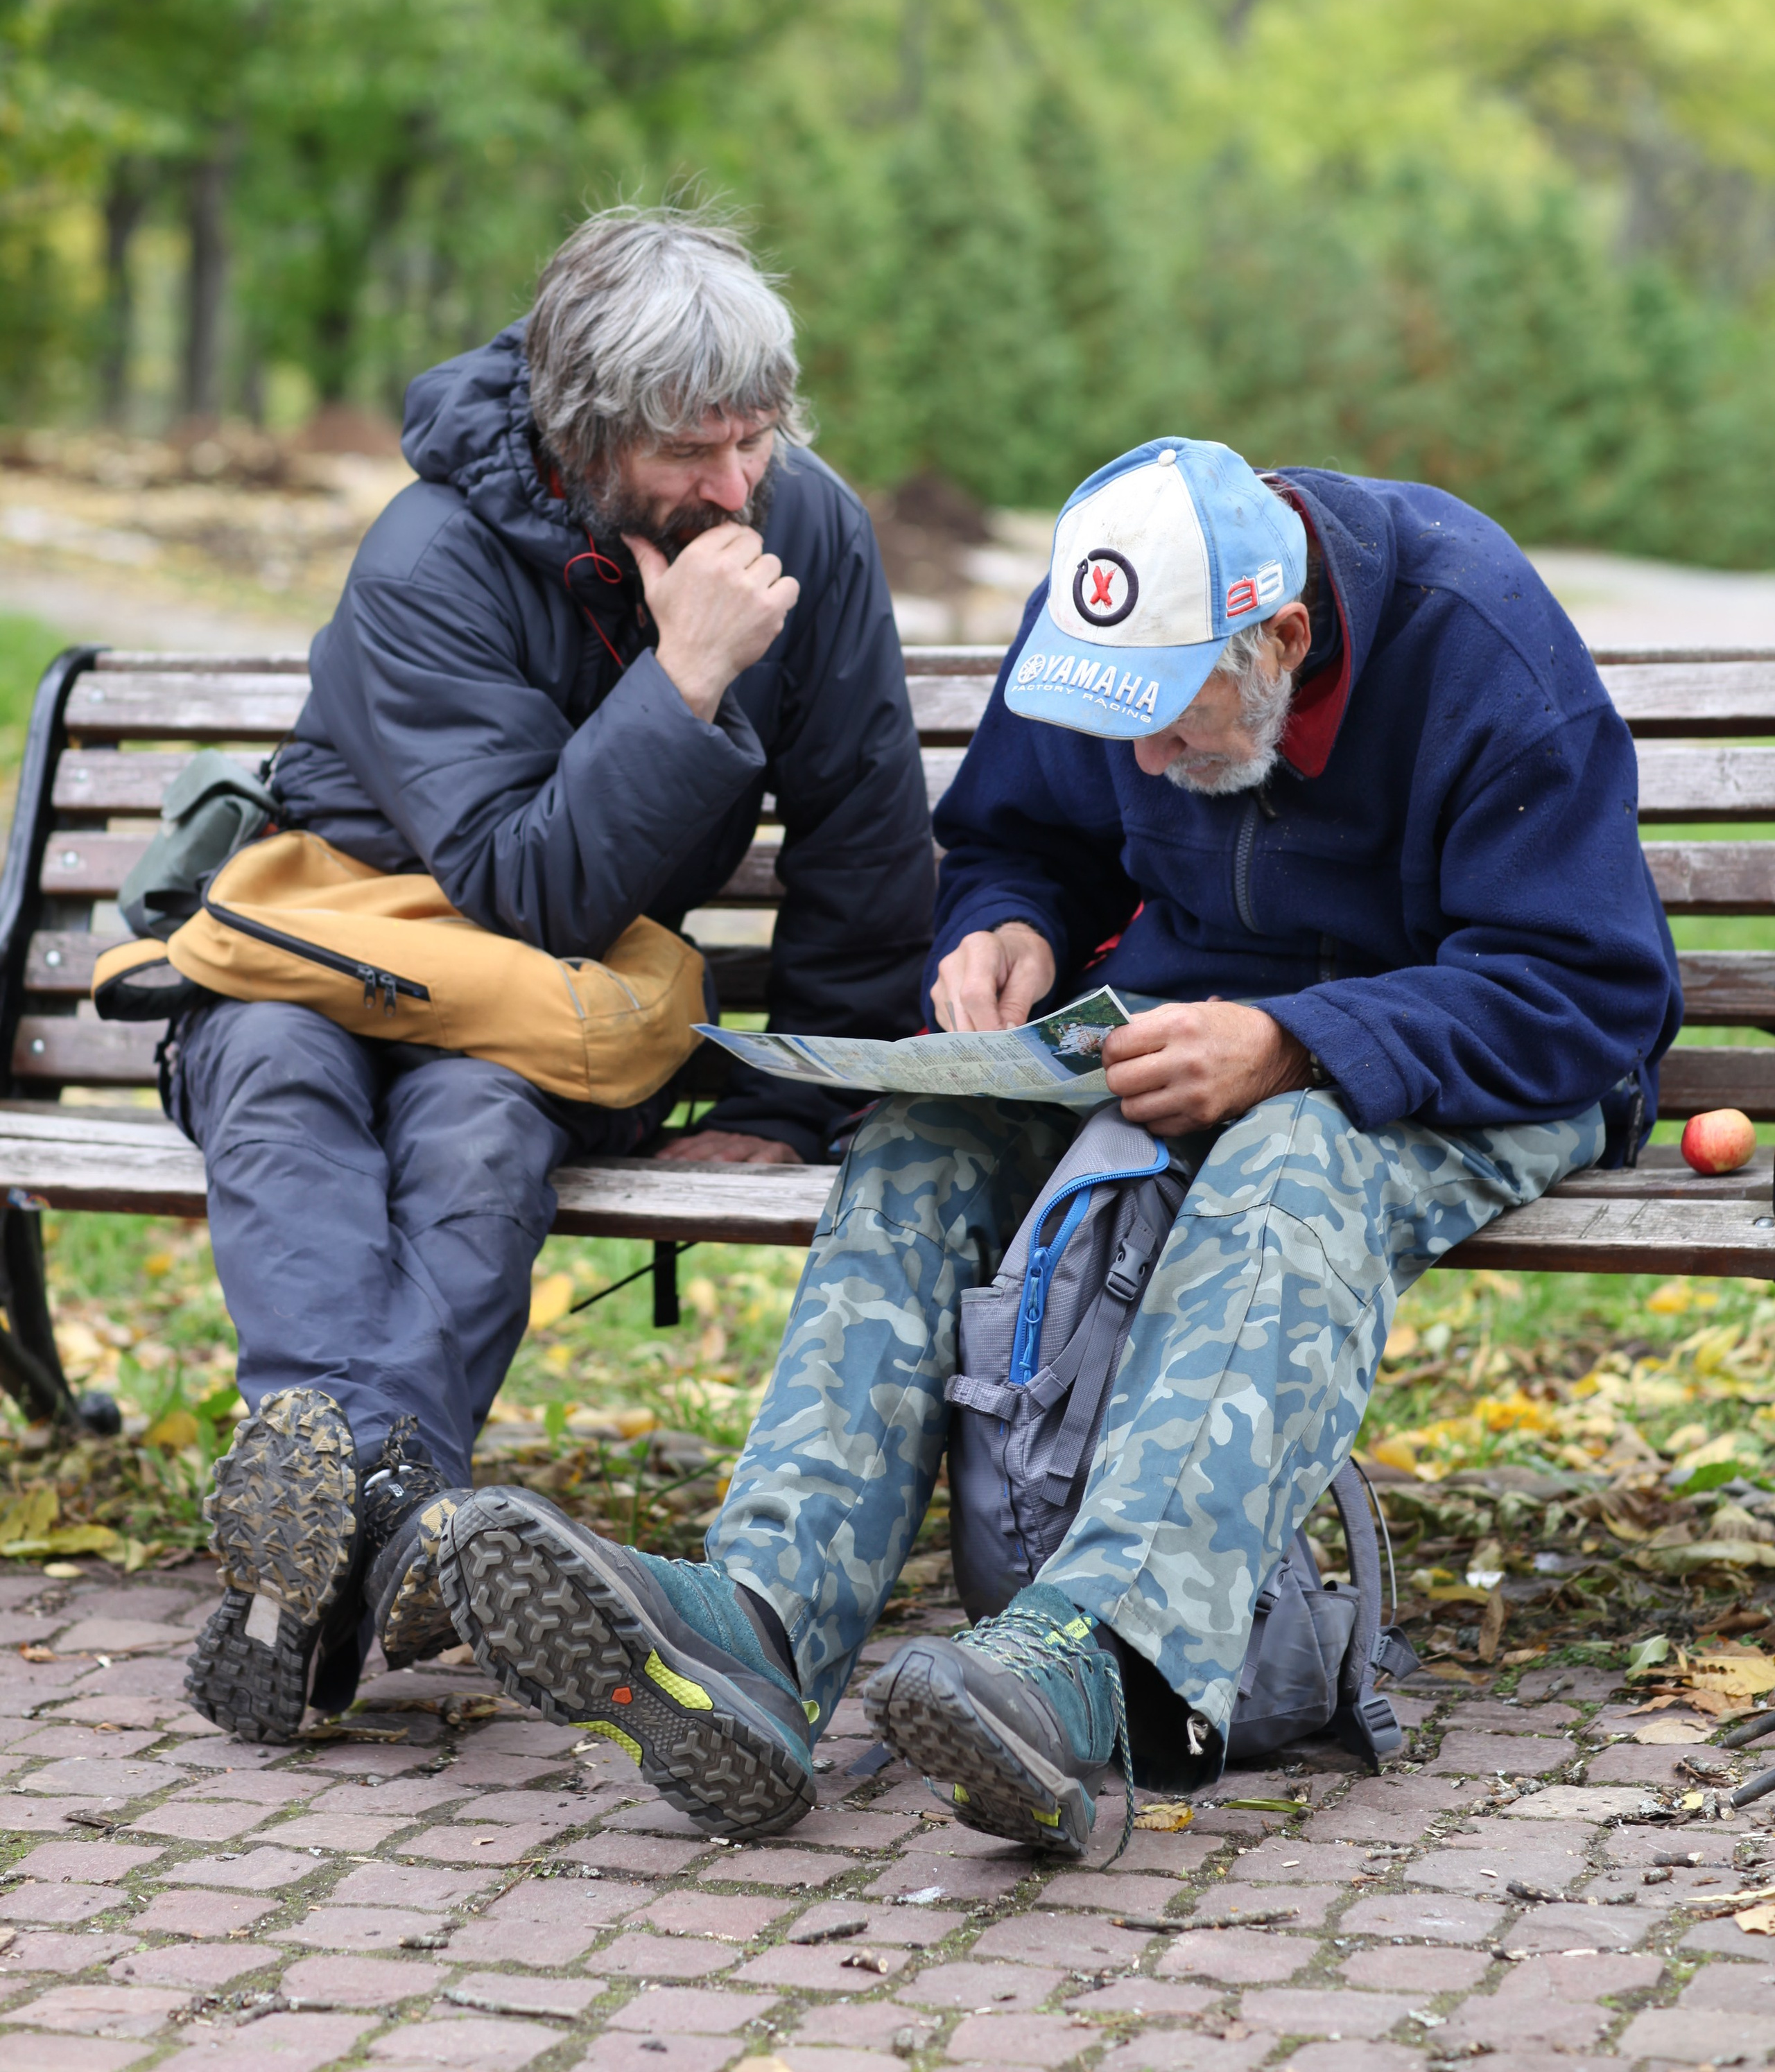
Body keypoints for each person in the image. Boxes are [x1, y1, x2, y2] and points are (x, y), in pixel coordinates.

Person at [435, 435, 1682, 1851]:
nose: (1142, 759)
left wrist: (1294, 1044)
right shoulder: (1109, 614)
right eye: (1121, 723)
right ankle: (764, 1626)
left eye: (1173, 719)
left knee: (1292, 1156)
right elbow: (1021, 843)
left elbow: (1584, 987)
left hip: (1475, 1051)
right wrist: (1001, 932)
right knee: (926, 1126)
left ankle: (1088, 1660)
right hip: (1178, 1018)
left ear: (1277, 635)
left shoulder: (1474, 638)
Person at [172, 206, 932, 1743]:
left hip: (529, 1022)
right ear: (581, 436)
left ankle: (314, 1568)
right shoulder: (430, 554)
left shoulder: (811, 530)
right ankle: (382, 1521)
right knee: (270, 1081)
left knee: (477, 1132)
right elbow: (524, 884)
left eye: (754, 437)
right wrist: (686, 678)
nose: (731, 489)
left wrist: (792, 1114)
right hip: (329, 960)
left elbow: (862, 842)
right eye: (686, 453)